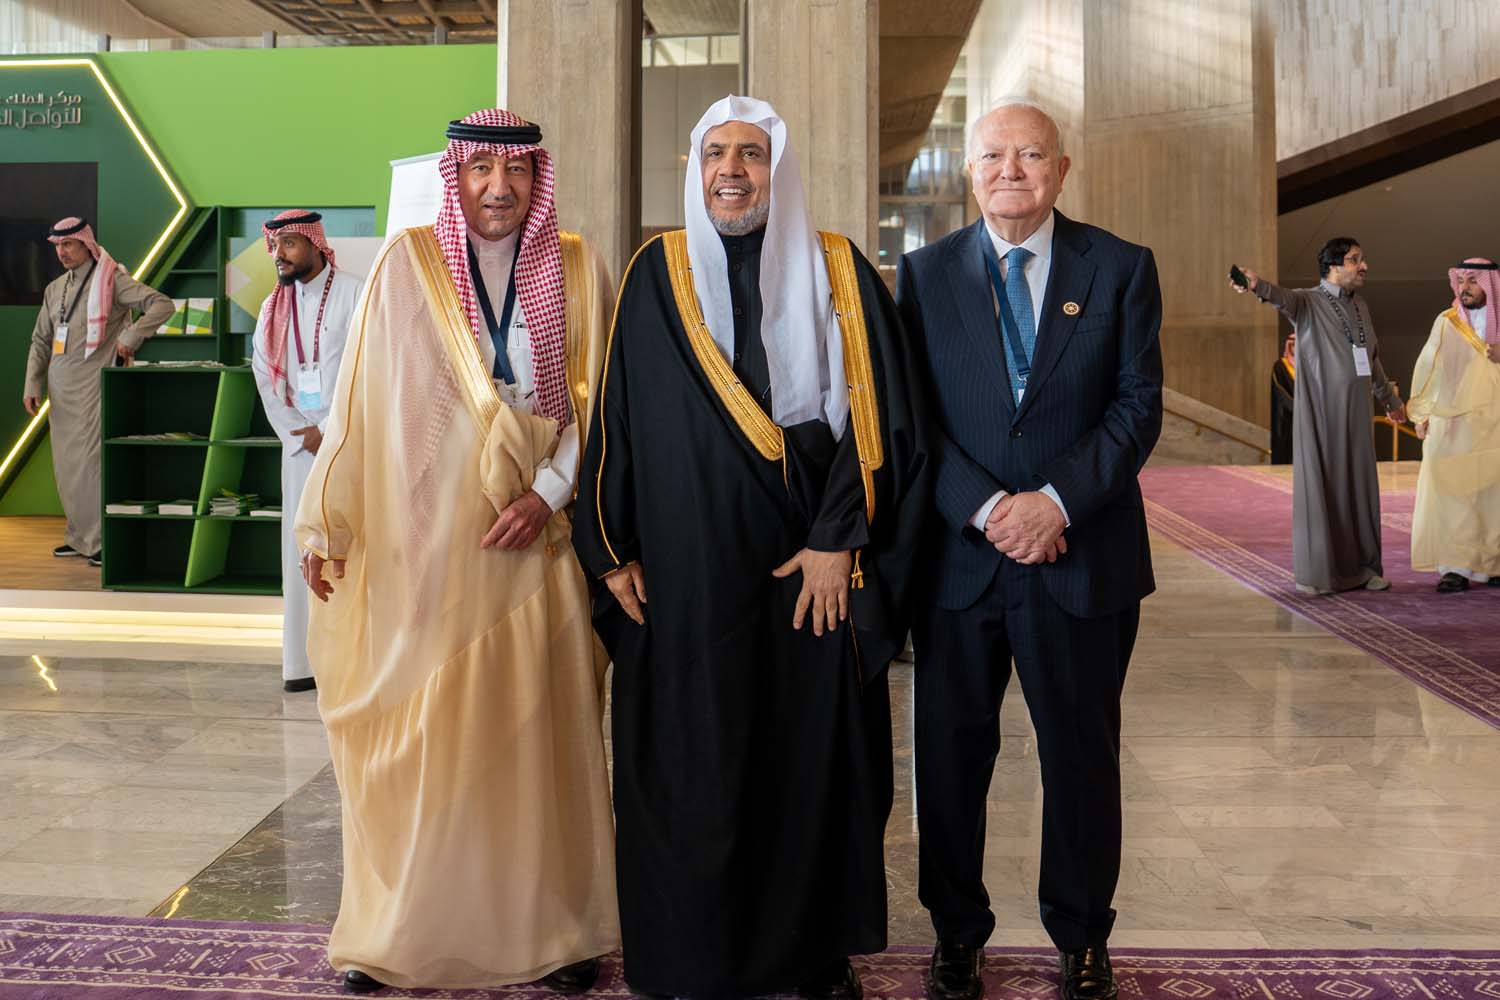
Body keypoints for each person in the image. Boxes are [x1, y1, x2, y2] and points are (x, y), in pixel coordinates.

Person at [574, 95, 928, 1000]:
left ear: (780, 169)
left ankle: (813, 956)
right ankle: (689, 956)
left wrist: (836, 542)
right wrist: (610, 548)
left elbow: (884, 423)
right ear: (695, 169)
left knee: (807, 767)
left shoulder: (838, 269)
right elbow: (617, 420)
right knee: (692, 764)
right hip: (687, 579)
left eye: (752, 154)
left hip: (807, 576)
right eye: (716, 154)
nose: (732, 171)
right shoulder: (656, 273)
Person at [294, 109, 618, 995]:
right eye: (479, 170)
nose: (497, 189)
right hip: (430, 547)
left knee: (536, 736)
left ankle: (556, 930)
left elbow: (601, 405)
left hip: (538, 542)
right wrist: (328, 521)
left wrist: (548, 494)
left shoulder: (580, 267)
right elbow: (362, 404)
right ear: (456, 177)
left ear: (537, 179)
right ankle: (397, 930)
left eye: (514, 173)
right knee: (426, 737)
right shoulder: (409, 265)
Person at [896, 98, 1162, 1000]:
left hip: (1080, 559)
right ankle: (956, 932)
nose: (1011, 170)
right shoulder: (923, 275)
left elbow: (1137, 406)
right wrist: (987, 510)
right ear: (969, 171)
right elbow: (912, 418)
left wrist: (1054, 504)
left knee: (1080, 755)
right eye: (993, 156)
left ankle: (1082, 935)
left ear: (1062, 168)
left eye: (1031, 155)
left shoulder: (1120, 267)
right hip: (961, 564)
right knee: (949, 758)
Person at [1234, 238, 1407, 594]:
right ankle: (1323, 574)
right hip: (1323, 417)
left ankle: (1366, 569)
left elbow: (1371, 358)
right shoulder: (1307, 301)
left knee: (1360, 490)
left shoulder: (1360, 306)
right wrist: (1255, 284)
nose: (1364, 266)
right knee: (1327, 488)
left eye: (1362, 259)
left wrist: (1389, 400)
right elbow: (1279, 297)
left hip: (1358, 416)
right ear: (1333, 266)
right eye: (1355, 260)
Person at [250, 210, 363, 692]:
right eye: (275, 246)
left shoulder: (356, 293)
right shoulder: (272, 307)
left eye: (290, 244)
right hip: (298, 449)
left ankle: (353, 664)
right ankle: (303, 664)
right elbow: (263, 374)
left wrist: (329, 430)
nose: (280, 255)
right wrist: (300, 433)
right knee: (301, 550)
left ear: (316, 244)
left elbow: (368, 369)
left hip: (349, 445)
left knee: (351, 549)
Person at [22, 217, 175, 567]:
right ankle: (78, 538)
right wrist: (32, 383)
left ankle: (101, 540)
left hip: (94, 385)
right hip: (60, 389)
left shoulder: (112, 280)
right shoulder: (55, 289)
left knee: (92, 464)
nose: (62, 252)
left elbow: (161, 304)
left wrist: (132, 336)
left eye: (68, 244)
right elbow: (41, 340)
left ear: (86, 244)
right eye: (57, 246)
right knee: (66, 466)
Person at [1408, 258, 1500, 592]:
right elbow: (1429, 369)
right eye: (1461, 281)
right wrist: (1421, 414)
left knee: (1493, 496)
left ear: (1491, 284)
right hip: (1454, 423)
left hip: (1495, 424)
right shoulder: (1447, 322)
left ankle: (1493, 564)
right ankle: (1455, 568)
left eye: (1473, 281)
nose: (1465, 288)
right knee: (1453, 495)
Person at [1271, 332, 1296, 463]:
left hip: (1305, 414)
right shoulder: (1280, 365)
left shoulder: (1306, 366)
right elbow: (1279, 390)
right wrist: (1295, 407)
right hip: (1286, 415)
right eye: (1293, 345)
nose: (1295, 348)